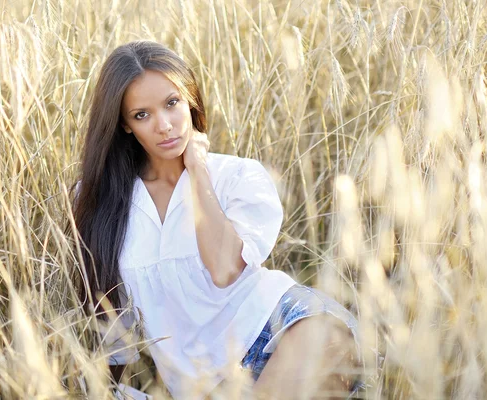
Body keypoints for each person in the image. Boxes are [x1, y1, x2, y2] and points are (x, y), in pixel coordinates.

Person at [72, 40, 361, 399]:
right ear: (124, 125)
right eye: (142, 115)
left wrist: (198, 174)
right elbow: (111, 311)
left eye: (172, 103)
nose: (164, 125)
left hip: (283, 330)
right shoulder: (104, 200)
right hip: (201, 385)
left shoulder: (238, 178)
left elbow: (225, 270)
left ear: (190, 100)